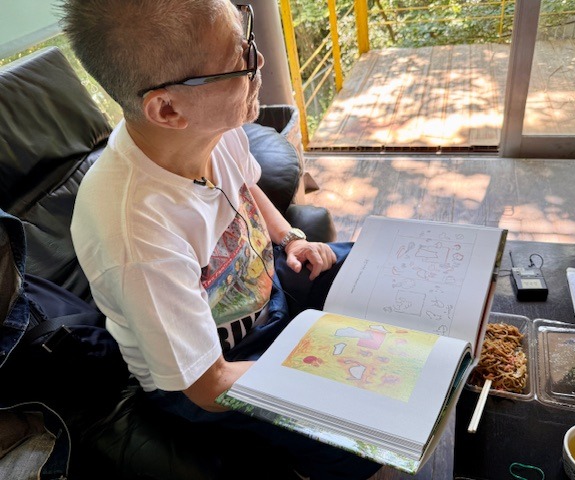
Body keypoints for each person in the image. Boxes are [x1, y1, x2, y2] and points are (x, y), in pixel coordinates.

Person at [61, 0, 382, 478]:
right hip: (218, 368)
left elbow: (246, 187)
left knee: (378, 274)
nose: (259, 60)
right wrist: (321, 375)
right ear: (168, 108)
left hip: (267, 291)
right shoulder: (134, 234)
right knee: (361, 439)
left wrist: (290, 238)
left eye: (246, 36)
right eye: (240, 59)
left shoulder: (215, 125)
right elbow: (208, 387)